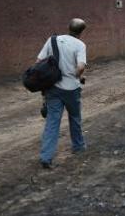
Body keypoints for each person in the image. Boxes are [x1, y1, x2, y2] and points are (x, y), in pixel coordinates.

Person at [36, 18, 88, 169]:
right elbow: (80, 68)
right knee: (75, 118)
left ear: (68, 27)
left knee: (52, 122)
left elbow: (39, 61)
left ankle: (46, 157)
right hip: (72, 89)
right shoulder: (80, 45)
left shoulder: (53, 40)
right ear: (81, 32)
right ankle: (78, 146)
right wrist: (76, 75)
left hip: (53, 88)